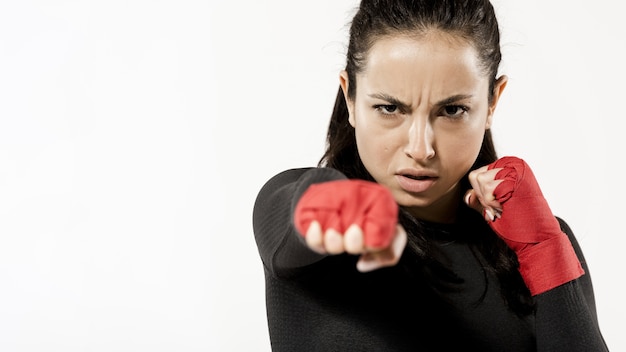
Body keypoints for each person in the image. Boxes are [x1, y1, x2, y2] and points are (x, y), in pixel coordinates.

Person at [252, 0, 608, 350]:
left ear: (491, 103)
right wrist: (338, 207)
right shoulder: (301, 224)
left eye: (452, 110)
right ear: (350, 98)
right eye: (389, 108)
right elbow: (293, 219)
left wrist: (544, 252)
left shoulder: (544, 243)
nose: (421, 149)